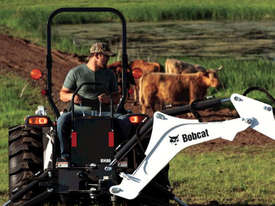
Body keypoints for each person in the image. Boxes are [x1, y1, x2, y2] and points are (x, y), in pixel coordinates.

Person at [57, 42, 120, 160]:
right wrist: (72, 97)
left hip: (105, 113)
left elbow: (117, 97)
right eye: (105, 56)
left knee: (125, 122)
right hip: (80, 112)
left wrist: (109, 99)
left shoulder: (109, 74)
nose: (108, 60)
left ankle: (120, 155)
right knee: (62, 121)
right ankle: (65, 156)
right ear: (96, 55)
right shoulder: (76, 72)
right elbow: (62, 94)